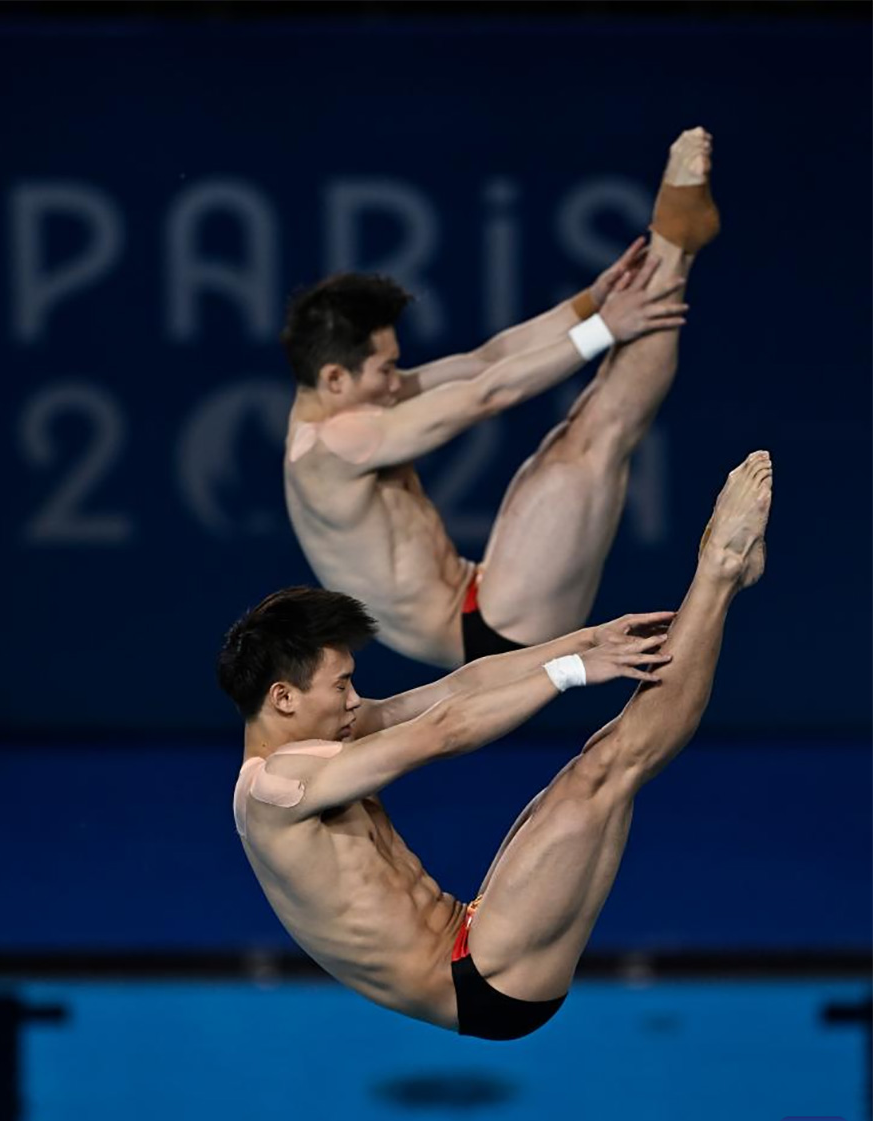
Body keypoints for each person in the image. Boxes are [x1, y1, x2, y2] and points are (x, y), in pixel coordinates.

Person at [218, 452, 771, 1041]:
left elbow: (456, 689)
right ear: (282, 697)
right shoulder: (276, 788)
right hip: (479, 980)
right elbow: (441, 732)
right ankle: (719, 570)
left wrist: (587, 639)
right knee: (608, 769)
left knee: (604, 767)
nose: (355, 700)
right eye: (341, 685)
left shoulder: (322, 743)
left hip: (474, 933)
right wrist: (570, 671)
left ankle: (724, 578)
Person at [281, 128, 719, 667]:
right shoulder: (338, 443)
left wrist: (588, 305)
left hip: (483, 590)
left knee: (576, 439)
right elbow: (488, 394)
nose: (398, 381)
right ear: (334, 379)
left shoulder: (349, 405)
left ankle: (676, 244)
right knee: (588, 445)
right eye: (387, 369)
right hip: (485, 634)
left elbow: (484, 361)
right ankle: (675, 246)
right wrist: (605, 329)